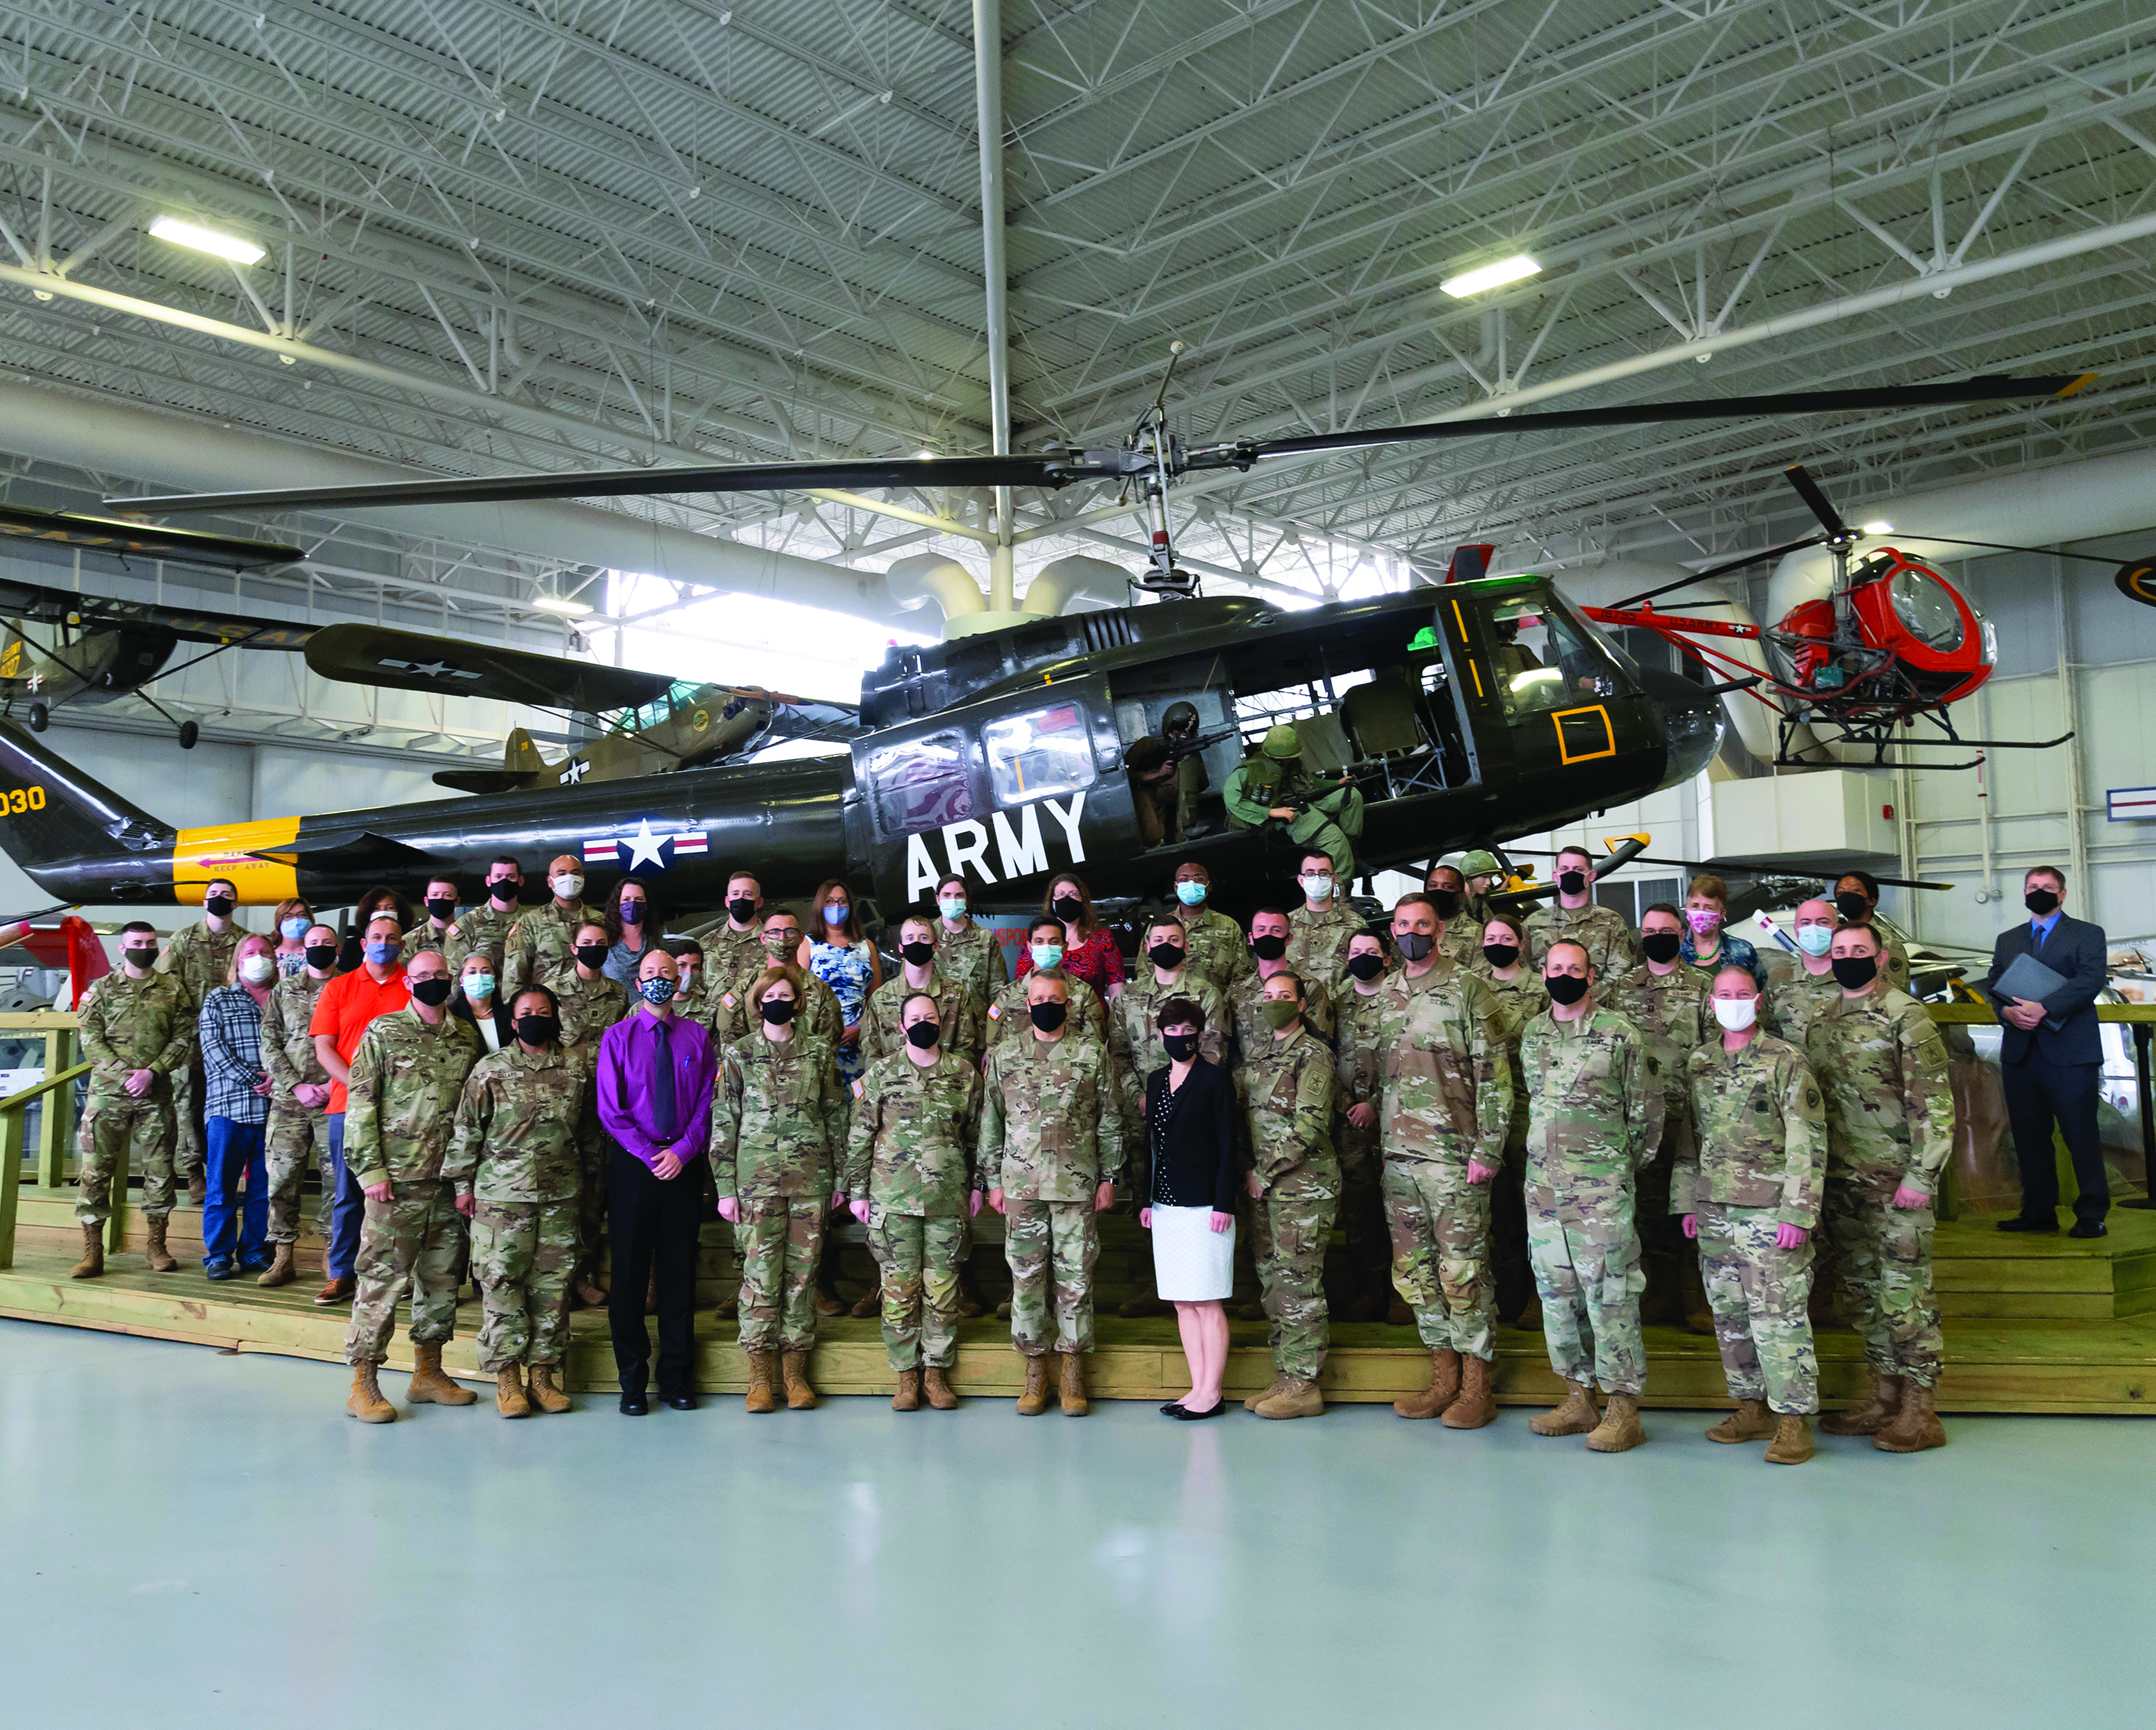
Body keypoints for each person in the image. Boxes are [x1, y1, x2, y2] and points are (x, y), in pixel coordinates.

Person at [1807, 924, 1953, 1452]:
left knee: (1905, 1294)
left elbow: (1934, 1101)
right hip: (1842, 1181)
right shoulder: (1822, 1021)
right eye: (1840, 951)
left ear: (1881, 957)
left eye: (1858, 952)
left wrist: (1922, 1175)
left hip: (1897, 1184)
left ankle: (1921, 1408)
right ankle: (1884, 1398)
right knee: (1864, 1294)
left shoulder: (1904, 1014)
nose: (1847, 958)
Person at [1371, 893, 1511, 1428]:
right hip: (1398, 1157)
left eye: (1422, 924)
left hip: (1454, 1157)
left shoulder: (1469, 990)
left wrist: (1489, 1149)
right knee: (1415, 1273)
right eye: (1403, 924)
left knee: (1463, 1270)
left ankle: (1477, 1387)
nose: (1412, 932)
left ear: (1440, 931)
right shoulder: (1387, 993)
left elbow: (1496, 1078)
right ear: (1393, 930)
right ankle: (1443, 1378)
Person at [1680, 966, 1828, 1465]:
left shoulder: (1785, 1060)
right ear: (1712, 1002)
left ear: (1758, 1000)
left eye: (1741, 994)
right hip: (1714, 1208)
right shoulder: (1700, 1061)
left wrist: (1798, 1211)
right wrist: (1688, 1201)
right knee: (1729, 1316)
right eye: (1723, 994)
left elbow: (1807, 1139)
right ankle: (1750, 1406)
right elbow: (1690, 1137)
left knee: (1778, 1317)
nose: (1732, 1001)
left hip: (1769, 1210)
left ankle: (1792, 1419)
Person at [1519, 940, 1660, 1452]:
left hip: (1600, 1187)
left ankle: (1623, 1407)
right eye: (1555, 968)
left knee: (1611, 1295)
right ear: (1543, 975)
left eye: (1573, 968)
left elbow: (1646, 1113)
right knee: (1556, 1298)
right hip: (1543, 1191)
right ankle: (1578, 1396)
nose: (1564, 975)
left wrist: (1617, 1167)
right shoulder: (1532, 1033)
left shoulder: (1619, 1032)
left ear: (1591, 974)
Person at [340, 948, 485, 1423]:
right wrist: (371, 1172)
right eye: (423, 976)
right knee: (382, 1281)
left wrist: (468, 1175)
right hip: (396, 1181)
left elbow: (474, 1110)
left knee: (442, 1282)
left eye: (441, 975)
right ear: (408, 982)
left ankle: (429, 1373)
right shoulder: (384, 1031)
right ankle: (363, 1382)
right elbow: (361, 1104)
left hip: (448, 1181)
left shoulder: (465, 1035)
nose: (432, 982)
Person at [980, 971, 1125, 1416]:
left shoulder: (1090, 1052)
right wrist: (991, 1180)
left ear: (1068, 1003)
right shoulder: (1005, 1054)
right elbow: (991, 1120)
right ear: (1026, 1003)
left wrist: (1110, 1177)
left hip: (1075, 1182)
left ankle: (1073, 1371)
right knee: (1025, 1280)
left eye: (1054, 998)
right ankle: (1034, 1372)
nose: (1046, 1003)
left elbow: (1110, 1118)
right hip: (1021, 1185)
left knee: (1076, 1280)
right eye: (1039, 997)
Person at [444, 985, 583, 1418]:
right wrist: (462, 1185)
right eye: (527, 1012)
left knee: (553, 1288)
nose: (536, 1017)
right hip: (501, 1197)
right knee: (502, 1283)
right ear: (513, 1019)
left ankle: (543, 1375)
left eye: (544, 1011)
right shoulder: (491, 1068)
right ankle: (507, 1378)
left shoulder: (577, 1068)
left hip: (560, 1196)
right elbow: (467, 1128)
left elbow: (589, 1132)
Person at [712, 964, 844, 1413]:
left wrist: (841, 1177)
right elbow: (725, 1119)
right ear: (758, 1001)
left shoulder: (819, 1051)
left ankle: (795, 1375)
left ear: (798, 1000)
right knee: (759, 1279)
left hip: (811, 1180)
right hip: (755, 1182)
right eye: (770, 995)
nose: (778, 1002)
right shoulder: (739, 1054)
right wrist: (725, 1186)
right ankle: (760, 1377)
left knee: (803, 1278)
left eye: (787, 994)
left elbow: (835, 1115)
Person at [843, 993, 982, 1411]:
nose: (924, 1023)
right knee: (899, 1291)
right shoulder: (882, 1073)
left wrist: (977, 1185)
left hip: (947, 1198)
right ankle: (906, 1376)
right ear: (901, 1027)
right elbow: (860, 1134)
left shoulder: (963, 1072)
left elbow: (978, 1135)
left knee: (942, 1291)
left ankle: (936, 1374)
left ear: (942, 1021)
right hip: (893, 1199)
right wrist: (856, 1192)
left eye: (931, 1017)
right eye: (915, 1019)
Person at [597, 949, 719, 1415]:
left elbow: (709, 1098)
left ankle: (676, 1378)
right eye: (649, 973)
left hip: (682, 1165)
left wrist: (683, 1151)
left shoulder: (696, 1036)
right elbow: (611, 1108)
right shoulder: (617, 1036)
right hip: (634, 1164)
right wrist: (651, 1154)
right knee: (628, 1275)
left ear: (680, 979)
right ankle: (632, 1381)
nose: (658, 980)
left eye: (666, 973)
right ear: (638, 981)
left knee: (678, 1273)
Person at [1979, 865, 2111, 1237]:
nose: (2039, 891)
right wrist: (2004, 1011)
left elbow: (2090, 980)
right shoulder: (2008, 938)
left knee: (2080, 1135)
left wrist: (2044, 1007)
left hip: (2070, 1052)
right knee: (2029, 1136)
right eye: (2033, 886)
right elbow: (1994, 982)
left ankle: (2091, 1214)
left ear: (2062, 893)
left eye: (2048, 887)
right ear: (2024, 893)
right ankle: (2038, 1211)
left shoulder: (2087, 934)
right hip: (2020, 1052)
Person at [1237, 971, 1339, 1419]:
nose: (1274, 1001)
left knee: (1299, 1283)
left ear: (1301, 1004)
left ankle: (1304, 1384)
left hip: (1302, 1186)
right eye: (1268, 996)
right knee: (1274, 1285)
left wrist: (1264, 1171)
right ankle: (1285, 1374)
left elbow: (1310, 1126)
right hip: (1264, 1190)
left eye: (1284, 996)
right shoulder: (1259, 1056)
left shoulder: (1313, 1054)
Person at [67, 921, 192, 1280]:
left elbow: (184, 1037)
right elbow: (90, 1040)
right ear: (122, 949)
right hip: (108, 1097)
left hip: (156, 1094)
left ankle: (156, 1246)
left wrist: (151, 1072)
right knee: (95, 1173)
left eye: (151, 942)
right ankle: (93, 1251)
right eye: (137, 942)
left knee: (159, 1171)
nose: (145, 947)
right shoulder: (102, 990)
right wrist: (127, 1075)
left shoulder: (172, 989)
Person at [1611, 903, 1711, 1326]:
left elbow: (1718, 1050)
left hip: (1693, 1120)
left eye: (1666, 929)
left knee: (1698, 1211)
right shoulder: (1621, 987)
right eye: (1649, 930)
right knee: (1649, 1211)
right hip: (1642, 1118)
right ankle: (1663, 1295)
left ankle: (1703, 1302)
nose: (1656, 936)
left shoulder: (1703, 986)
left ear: (1682, 933)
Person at [309, 912, 413, 1307]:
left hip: (404, 1110)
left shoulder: (413, 985)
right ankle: (341, 1273)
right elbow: (324, 1047)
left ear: (402, 945)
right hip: (346, 1106)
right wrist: (363, 1087)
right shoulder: (339, 987)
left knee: (399, 1193)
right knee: (348, 1192)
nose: (384, 942)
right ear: (364, 944)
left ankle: (395, 1273)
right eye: (376, 936)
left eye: (392, 937)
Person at [1143, 998, 1237, 1418]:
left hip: (1205, 1207)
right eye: (1171, 1030)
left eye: (1187, 1030)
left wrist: (1224, 1201)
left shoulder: (1216, 1080)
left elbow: (1228, 1144)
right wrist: (1147, 1198)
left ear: (1199, 1033)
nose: (1179, 1037)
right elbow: (1151, 1145)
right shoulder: (1154, 1080)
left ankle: (1212, 1392)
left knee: (1207, 1300)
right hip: (1165, 1206)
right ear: (1160, 1034)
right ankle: (1196, 1387)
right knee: (1183, 1301)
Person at [1474, 909, 1547, 1326]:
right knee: (1499, 1211)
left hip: (1531, 1109)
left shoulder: (1540, 988)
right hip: (1487, 1112)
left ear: (1521, 944)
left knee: (1535, 1207)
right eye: (1491, 937)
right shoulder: (1473, 986)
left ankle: (1540, 1297)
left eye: (1506, 938)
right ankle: (1508, 1294)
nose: (1497, 943)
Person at [259, 922, 340, 1288]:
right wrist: (296, 1085)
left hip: (335, 1099)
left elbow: (359, 1042)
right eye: (313, 943)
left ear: (338, 949)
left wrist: (333, 1084)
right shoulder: (285, 989)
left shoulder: (348, 987)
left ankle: (332, 1253)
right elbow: (269, 1041)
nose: (320, 948)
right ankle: (282, 1255)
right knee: (282, 1178)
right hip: (290, 1101)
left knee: (336, 1180)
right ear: (302, 949)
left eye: (327, 943)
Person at [195, 935, 278, 1281]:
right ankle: (218, 1254)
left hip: (275, 1111)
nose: (258, 957)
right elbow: (212, 1048)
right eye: (250, 953)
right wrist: (255, 1078)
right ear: (238, 960)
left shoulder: (284, 998)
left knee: (264, 1188)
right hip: (228, 1107)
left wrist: (278, 1078)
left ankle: (255, 1251)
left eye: (265, 952)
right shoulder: (219, 998)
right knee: (221, 1186)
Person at [163, 878, 244, 1207]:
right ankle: (195, 1174)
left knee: (227, 1106)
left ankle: (225, 1174)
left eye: (227, 895)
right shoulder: (183, 940)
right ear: (203, 902)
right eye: (213, 895)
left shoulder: (244, 941)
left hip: (233, 1038)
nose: (220, 899)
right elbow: (169, 988)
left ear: (237, 903)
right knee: (189, 1105)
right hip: (192, 1038)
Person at [1329, 929, 1395, 1322]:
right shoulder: (1336, 1002)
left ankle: (1405, 1294)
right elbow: (1321, 1053)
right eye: (1356, 952)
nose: (1363, 957)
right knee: (1360, 1210)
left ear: (1386, 959)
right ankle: (1371, 1288)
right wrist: (1350, 1106)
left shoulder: (1402, 998)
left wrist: (1376, 1105)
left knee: (1402, 1209)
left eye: (1372, 952)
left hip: (1396, 1121)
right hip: (1349, 1123)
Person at [1222, 723, 1365, 879]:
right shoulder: (1250, 771)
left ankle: (1353, 854)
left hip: (1304, 799)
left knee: (1351, 796)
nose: (1290, 759)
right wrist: (1270, 812)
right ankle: (1342, 893)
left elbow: (1310, 783)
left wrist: (1337, 783)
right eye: (1286, 757)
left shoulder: (1292, 763)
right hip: (1286, 812)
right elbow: (1232, 799)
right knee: (1335, 840)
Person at [863, 912, 984, 1066]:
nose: (917, 943)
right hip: (894, 1086)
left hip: (946, 1084)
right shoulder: (881, 998)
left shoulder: (957, 995)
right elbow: (871, 1052)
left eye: (923, 938)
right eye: (910, 938)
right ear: (901, 947)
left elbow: (966, 1049)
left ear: (936, 946)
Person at [798, 878, 882, 1086]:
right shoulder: (807, 944)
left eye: (843, 902)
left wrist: (860, 1027)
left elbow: (877, 997)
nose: (837, 906)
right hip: (819, 1039)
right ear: (820, 905)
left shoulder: (867, 946)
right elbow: (798, 993)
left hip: (859, 1040)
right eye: (830, 901)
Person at [986, 918, 1110, 1052]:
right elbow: (995, 1044)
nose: (1046, 947)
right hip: (1019, 1070)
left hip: (1068, 1069)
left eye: (1054, 942)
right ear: (1029, 947)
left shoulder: (1084, 993)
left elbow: (1095, 1046)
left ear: (1065, 947)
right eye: (1039, 942)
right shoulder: (1009, 994)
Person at [1523, 845, 1644, 977]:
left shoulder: (1612, 922)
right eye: (1565, 869)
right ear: (1556, 876)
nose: (1571, 874)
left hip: (1597, 997)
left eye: (1578, 869)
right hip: (1543, 997)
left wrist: (1585, 996)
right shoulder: (1534, 923)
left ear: (1591, 876)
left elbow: (1621, 975)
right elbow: (1523, 973)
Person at [1231, 907, 1334, 1055]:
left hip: (1292, 1074)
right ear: (1251, 938)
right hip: (1246, 1077)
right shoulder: (1238, 992)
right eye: (1261, 930)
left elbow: (1321, 1043)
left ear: (1289, 939)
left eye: (1276, 930)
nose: (1268, 936)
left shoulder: (1309, 987)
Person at [1017, 873, 1124, 1002]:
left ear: (1082, 901)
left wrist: (1117, 1018)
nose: (1066, 899)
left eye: (1073, 894)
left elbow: (1116, 984)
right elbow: (1021, 986)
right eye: (1060, 894)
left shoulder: (1102, 939)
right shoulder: (1037, 941)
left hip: (1093, 1016)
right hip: (1045, 1016)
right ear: (1052, 901)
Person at [503, 855, 596, 999]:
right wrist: (516, 1012)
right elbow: (515, 974)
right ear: (550, 882)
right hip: (547, 1009)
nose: (569, 878)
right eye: (562, 874)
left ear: (583, 879)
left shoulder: (599, 920)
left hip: (594, 1007)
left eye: (575, 873)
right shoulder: (531, 921)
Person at [1763, 898, 1843, 1047]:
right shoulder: (1779, 980)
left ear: (1837, 929)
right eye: (1806, 923)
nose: (1814, 928)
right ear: (1796, 931)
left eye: (1823, 922)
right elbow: (1769, 1034)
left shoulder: (1854, 977)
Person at [930, 873, 1008, 1008]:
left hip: (978, 1025)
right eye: (947, 895)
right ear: (938, 900)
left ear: (967, 900)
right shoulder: (926, 937)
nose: (953, 900)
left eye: (959, 896)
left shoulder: (985, 938)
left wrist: (995, 1025)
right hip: (936, 1023)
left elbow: (998, 989)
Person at [1285, 850, 1362, 982]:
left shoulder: (1356, 924)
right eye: (1310, 874)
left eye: (1324, 873)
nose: (1317, 879)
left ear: (1334, 879)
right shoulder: (1285, 925)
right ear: (1301, 880)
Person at [1680, 874, 1767, 987]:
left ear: (1722, 913)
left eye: (1709, 907)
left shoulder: (1743, 951)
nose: (1701, 913)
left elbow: (1761, 992)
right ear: (1687, 910)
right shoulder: (1675, 952)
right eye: (1695, 906)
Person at [1832, 870, 1911, 992]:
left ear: (1872, 901)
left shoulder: (1886, 942)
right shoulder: (1836, 939)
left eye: (1856, 891)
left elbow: (1893, 990)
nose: (1847, 897)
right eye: (1841, 893)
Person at [446, 855, 525, 976]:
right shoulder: (468, 923)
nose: (504, 882)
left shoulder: (530, 922)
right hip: (483, 994)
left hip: (521, 994)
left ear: (520, 881)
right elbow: (455, 974)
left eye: (511, 877)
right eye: (498, 877)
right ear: (489, 881)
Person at [600, 878, 664, 992]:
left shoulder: (657, 940)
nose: (633, 904)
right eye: (626, 900)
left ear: (646, 905)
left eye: (639, 899)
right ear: (618, 905)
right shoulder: (604, 940)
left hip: (649, 1009)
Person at [340, 885, 415, 974]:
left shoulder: (411, 942)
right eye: (377, 908)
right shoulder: (353, 945)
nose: (383, 912)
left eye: (390, 908)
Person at [1428, 863, 1480, 964]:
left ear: (1461, 896)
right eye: (1433, 886)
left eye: (1447, 887)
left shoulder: (1477, 934)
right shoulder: (1414, 929)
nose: (1439, 891)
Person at [402, 876, 463, 962]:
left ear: (457, 902)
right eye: (435, 895)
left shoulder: (468, 935)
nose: (440, 899)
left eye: (447, 895)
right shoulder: (411, 940)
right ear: (427, 901)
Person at [270, 896, 315, 977]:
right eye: (288, 916)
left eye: (301, 915)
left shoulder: (318, 952)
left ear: (310, 918)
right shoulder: (268, 953)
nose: (296, 920)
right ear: (278, 921)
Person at [668, 938, 710, 1019]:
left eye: (695, 967)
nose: (689, 973)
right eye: (682, 965)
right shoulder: (648, 1008)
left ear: (701, 971)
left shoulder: (710, 1012)